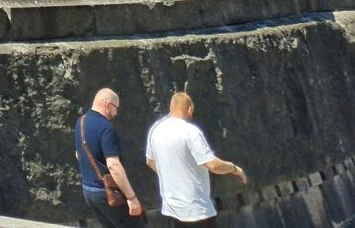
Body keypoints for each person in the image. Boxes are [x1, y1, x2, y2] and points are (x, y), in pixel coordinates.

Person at [145, 91, 248, 227]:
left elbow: (150, 161)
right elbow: (213, 165)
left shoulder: (156, 130)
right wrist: (234, 168)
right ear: (189, 109)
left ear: (171, 107)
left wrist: (174, 177)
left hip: (172, 209)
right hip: (197, 210)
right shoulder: (190, 131)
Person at [76, 87, 146, 224]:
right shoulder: (106, 128)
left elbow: (78, 155)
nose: (116, 113)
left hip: (89, 192)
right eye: (116, 108)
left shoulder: (81, 122)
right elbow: (113, 165)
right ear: (107, 105)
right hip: (107, 193)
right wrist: (131, 198)